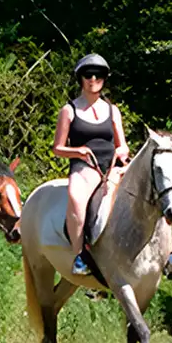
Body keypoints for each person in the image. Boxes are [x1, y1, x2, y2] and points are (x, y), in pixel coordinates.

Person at [54, 55, 128, 277]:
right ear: (80, 79)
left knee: (151, 189)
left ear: (105, 79)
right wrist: (78, 151)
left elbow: (122, 144)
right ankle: (79, 256)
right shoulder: (69, 110)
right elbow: (57, 148)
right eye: (88, 75)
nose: (93, 79)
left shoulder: (113, 110)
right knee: (76, 198)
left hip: (112, 166)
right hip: (84, 167)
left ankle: (166, 253)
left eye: (98, 75)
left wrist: (122, 151)